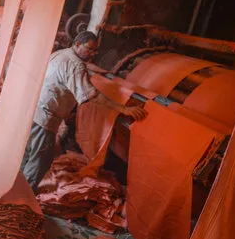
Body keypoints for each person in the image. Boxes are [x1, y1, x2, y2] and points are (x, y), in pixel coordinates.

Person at [21, 31, 147, 188]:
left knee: (27, 152)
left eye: (95, 50)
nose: (92, 53)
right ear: (78, 44)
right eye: (89, 49)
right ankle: (22, 200)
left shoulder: (62, 53)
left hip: (33, 109)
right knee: (41, 160)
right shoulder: (76, 66)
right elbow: (91, 96)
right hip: (45, 116)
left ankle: (16, 187)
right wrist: (124, 109)